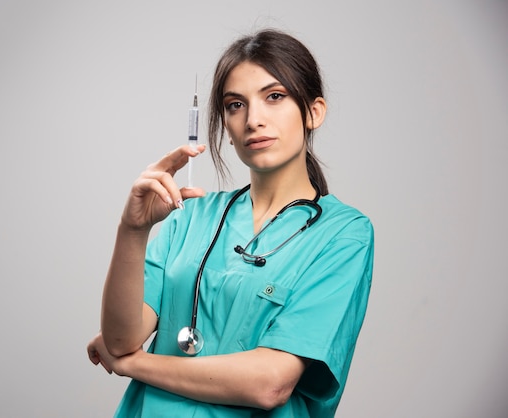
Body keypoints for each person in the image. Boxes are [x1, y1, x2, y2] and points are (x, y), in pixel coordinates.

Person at [87, 28, 374, 417]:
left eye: (274, 97)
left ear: (313, 112)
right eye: (235, 105)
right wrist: (133, 230)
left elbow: (270, 382)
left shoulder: (343, 235)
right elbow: (122, 338)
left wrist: (132, 364)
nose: (253, 119)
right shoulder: (189, 216)